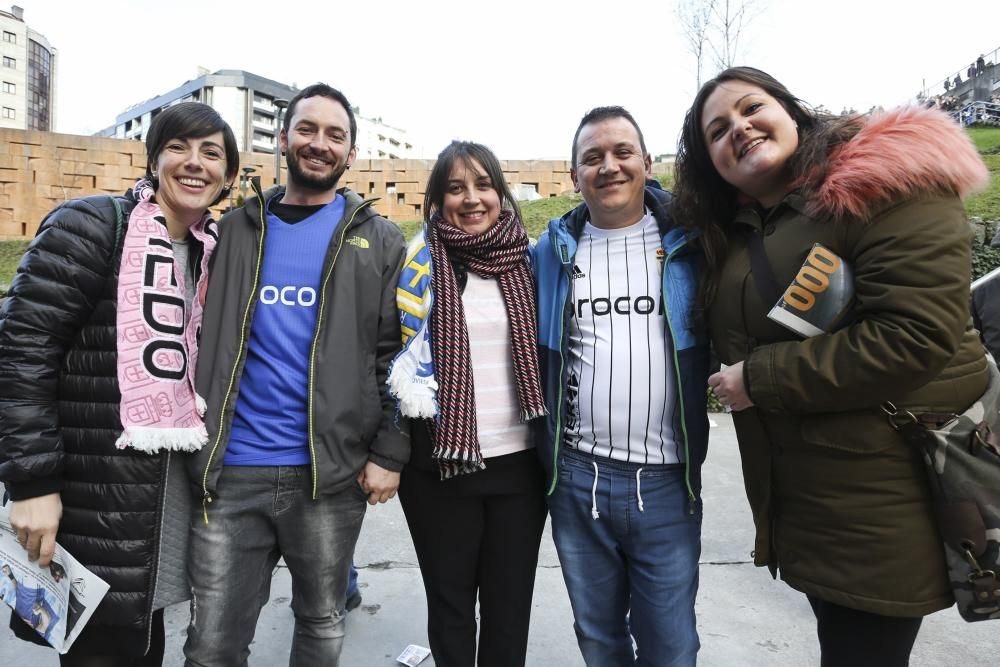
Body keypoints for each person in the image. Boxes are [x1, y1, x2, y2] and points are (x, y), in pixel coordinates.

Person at [671, 66, 989, 666]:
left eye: (750, 108)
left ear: (791, 111)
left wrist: (757, 379)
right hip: (814, 502)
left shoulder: (884, 182)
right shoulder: (745, 228)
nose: (738, 129)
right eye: (717, 130)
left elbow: (916, 335)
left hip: (888, 495)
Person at [0, 102, 238, 666]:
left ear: (228, 177)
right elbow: (21, 355)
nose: (194, 163)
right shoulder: (90, 226)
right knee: (101, 652)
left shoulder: (216, 254)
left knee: (143, 641)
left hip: (165, 502)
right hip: (93, 501)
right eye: (179, 147)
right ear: (153, 158)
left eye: (212, 153)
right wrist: (32, 485)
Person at [183, 82, 407, 667]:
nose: (319, 143)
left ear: (351, 153)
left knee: (321, 622)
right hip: (231, 471)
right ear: (282, 139)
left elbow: (396, 356)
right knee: (211, 644)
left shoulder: (378, 240)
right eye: (307, 129)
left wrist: (391, 450)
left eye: (335, 134)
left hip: (329, 476)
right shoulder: (230, 232)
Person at [534, 107, 710, 666]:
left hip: (665, 482)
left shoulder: (694, 247)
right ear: (574, 175)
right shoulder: (553, 253)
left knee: (671, 645)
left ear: (646, 163)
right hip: (577, 481)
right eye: (592, 158)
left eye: (621, 153)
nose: (608, 167)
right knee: (600, 640)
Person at [388, 140, 548, 666]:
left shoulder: (533, 263)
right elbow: (385, 364)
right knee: (451, 606)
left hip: (520, 469)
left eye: (484, 185)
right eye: (455, 188)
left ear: (501, 193)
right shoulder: (415, 267)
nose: (472, 199)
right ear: (437, 200)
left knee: (509, 610)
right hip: (438, 469)